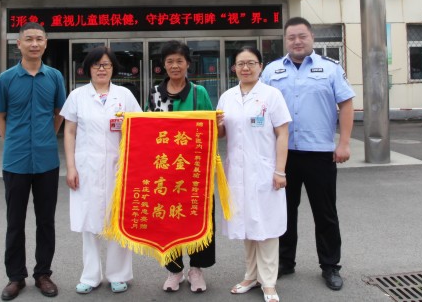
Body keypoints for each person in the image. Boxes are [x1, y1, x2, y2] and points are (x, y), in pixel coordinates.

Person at [260, 17, 355, 292]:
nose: (297, 42)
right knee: (284, 212)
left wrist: (344, 143)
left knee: (325, 213)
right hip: (283, 155)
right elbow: (260, 108)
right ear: (285, 40)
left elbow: (346, 105)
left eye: (302, 36)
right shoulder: (272, 71)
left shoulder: (331, 68)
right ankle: (284, 261)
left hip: (319, 153)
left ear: (312, 37)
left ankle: (330, 265)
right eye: (291, 37)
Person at [0, 22, 67, 301]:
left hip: (47, 161)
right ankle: (15, 277)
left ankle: (43, 274)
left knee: (46, 221)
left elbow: (59, 112)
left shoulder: (55, 77)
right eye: (28, 39)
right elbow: (0, 115)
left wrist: (48, 135)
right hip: (15, 161)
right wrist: (11, 140)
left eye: (39, 39)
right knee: (15, 222)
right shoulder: (6, 79)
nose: (34, 44)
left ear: (45, 43)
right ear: (19, 44)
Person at [61, 47, 141, 295]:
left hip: (119, 166)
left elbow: (139, 128)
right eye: (96, 65)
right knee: (89, 221)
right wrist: (71, 167)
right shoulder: (77, 95)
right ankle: (91, 276)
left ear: (113, 68)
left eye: (106, 65)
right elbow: (69, 131)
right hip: (86, 167)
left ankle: (119, 275)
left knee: (118, 220)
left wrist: (135, 165)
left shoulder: (124, 95)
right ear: (88, 69)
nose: (101, 69)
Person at [217, 47, 291, 302]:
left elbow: (283, 134)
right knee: (246, 225)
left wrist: (280, 171)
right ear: (234, 68)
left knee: (267, 227)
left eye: (251, 63)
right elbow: (222, 133)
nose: (245, 68)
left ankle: (268, 282)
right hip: (237, 172)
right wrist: (215, 126)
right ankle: (250, 275)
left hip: (265, 171)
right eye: (240, 64)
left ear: (260, 66)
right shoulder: (227, 97)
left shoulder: (271, 95)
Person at [146, 40, 216, 293]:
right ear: (163, 65)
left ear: (188, 64)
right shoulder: (155, 93)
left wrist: (218, 123)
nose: (175, 65)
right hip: (165, 170)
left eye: (179, 61)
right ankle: (174, 270)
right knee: (168, 220)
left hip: (195, 169)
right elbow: (145, 128)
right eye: (170, 61)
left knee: (199, 217)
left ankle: (196, 269)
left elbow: (212, 129)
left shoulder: (199, 93)